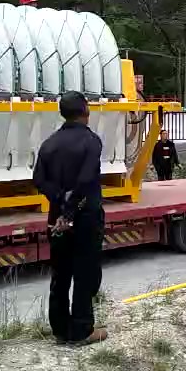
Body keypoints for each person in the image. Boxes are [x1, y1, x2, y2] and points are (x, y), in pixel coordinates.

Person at [32, 91, 107, 346]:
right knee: (85, 273)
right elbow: (86, 179)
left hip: (57, 220)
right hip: (85, 218)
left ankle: (61, 329)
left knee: (60, 274)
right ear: (86, 110)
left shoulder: (49, 143)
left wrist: (60, 200)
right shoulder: (91, 142)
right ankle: (82, 329)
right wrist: (71, 210)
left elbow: (38, 180)